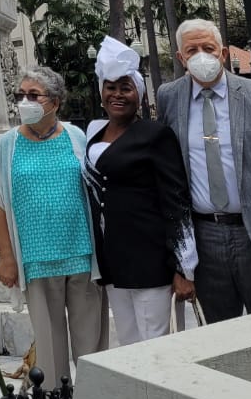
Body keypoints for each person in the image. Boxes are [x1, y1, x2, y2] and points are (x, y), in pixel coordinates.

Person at [0, 66, 107, 399]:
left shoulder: (75, 136)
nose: (24, 101)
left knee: (90, 349)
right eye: (20, 94)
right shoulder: (7, 144)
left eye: (33, 95)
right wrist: (7, 257)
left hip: (81, 258)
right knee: (51, 357)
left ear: (55, 102)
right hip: (37, 262)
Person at [156, 18, 251, 322]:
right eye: (192, 50)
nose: (202, 55)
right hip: (206, 241)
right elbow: (168, 175)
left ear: (223, 53)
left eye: (209, 48)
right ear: (181, 58)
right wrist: (179, 261)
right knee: (220, 340)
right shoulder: (169, 97)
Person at [84, 38, 197, 345]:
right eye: (111, 87)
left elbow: (177, 202)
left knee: (157, 348)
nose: (117, 95)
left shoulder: (155, 134)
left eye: (126, 87)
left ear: (139, 93)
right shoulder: (93, 134)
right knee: (129, 350)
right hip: (113, 263)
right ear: (101, 91)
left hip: (151, 262)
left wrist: (185, 268)